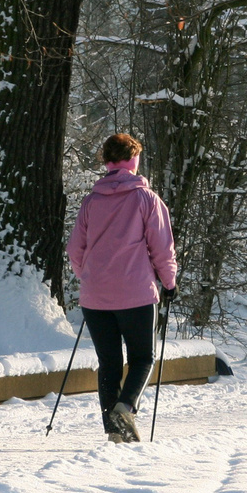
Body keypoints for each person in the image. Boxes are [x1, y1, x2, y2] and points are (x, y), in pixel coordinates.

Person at [66, 133, 178, 443]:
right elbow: (161, 247)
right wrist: (169, 282)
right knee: (142, 358)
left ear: (107, 163)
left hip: (95, 296)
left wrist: (88, 275)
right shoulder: (146, 199)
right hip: (136, 293)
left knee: (109, 363)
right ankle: (126, 408)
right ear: (133, 162)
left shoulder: (91, 201)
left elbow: (75, 249)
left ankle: (113, 429)